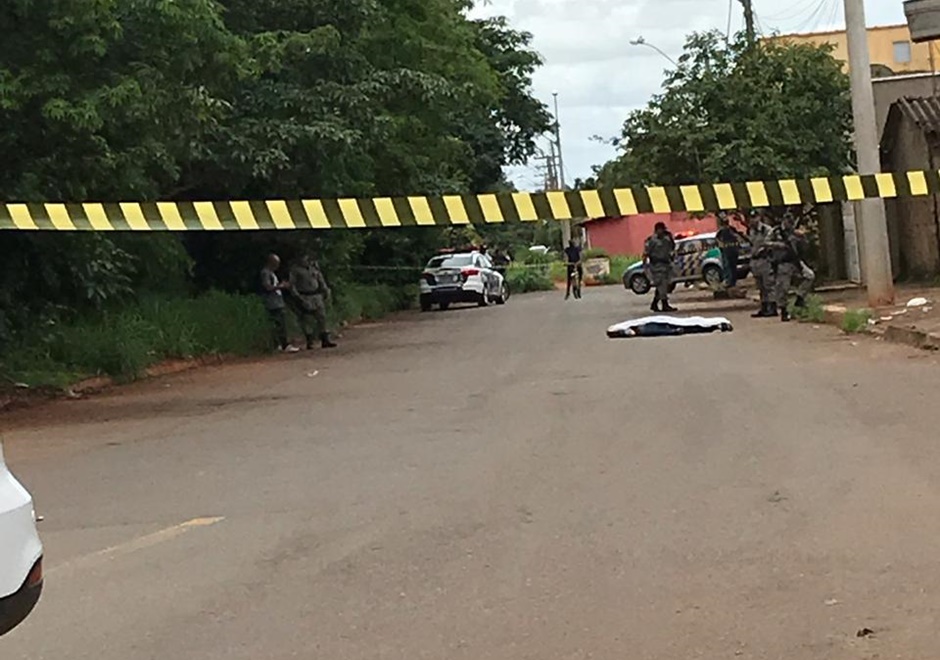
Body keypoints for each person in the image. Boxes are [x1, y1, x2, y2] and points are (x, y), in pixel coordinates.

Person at [288, 254, 338, 350]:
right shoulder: (295, 270)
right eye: (304, 259)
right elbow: (292, 285)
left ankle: (325, 339)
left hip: (316, 295)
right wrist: (297, 297)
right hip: (304, 295)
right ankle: (310, 340)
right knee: (307, 319)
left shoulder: (314, 268)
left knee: (322, 317)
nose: (306, 261)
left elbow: (320, 279)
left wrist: (325, 289)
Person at [767, 213, 804, 322]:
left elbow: (802, 245)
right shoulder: (776, 231)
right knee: (784, 288)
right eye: (788, 221)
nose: (789, 224)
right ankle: (784, 311)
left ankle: (800, 297)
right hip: (783, 263)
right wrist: (778, 245)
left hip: (795, 261)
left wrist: (801, 237)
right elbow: (766, 243)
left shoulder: (793, 232)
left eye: (791, 222)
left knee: (809, 276)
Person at [260, 254, 300, 353]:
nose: (277, 266)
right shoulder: (265, 273)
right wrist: (281, 286)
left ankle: (278, 344)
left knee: (279, 324)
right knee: (280, 324)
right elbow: (267, 287)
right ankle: (284, 344)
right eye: (276, 263)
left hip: (277, 301)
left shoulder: (271, 273)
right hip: (273, 302)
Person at [747, 211, 776, 318]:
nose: (752, 220)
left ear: (759, 217)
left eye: (755, 217)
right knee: (760, 286)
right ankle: (764, 308)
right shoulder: (751, 231)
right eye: (751, 218)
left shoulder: (766, 230)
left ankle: (772, 307)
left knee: (768, 285)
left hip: (765, 260)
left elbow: (770, 244)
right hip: (755, 261)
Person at [643, 222, 677, 312]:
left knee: (663, 285)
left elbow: (672, 248)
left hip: (666, 264)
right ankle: (664, 304)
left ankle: (654, 304)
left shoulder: (667, 238)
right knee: (661, 284)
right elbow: (646, 253)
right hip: (657, 265)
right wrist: (645, 266)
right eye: (660, 229)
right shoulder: (652, 241)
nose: (662, 231)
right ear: (656, 230)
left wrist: (670, 237)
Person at [716, 213, 744, 288]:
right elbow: (718, 239)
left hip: (731, 251)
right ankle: (730, 282)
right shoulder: (725, 230)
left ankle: (731, 282)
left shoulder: (729, 230)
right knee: (729, 267)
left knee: (731, 267)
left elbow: (737, 237)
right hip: (728, 251)